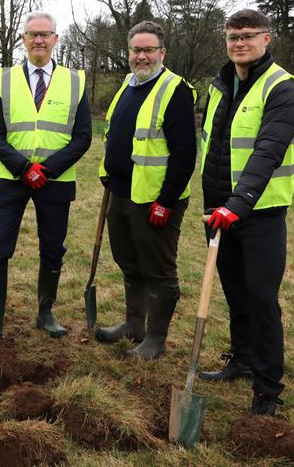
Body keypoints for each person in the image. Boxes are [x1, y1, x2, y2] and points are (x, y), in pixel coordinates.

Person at [199, 9, 294, 415]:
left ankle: (267, 390)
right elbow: (215, 149)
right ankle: (242, 359)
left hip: (259, 213)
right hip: (219, 212)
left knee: (262, 298)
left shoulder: (285, 89)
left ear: (267, 39)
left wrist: (238, 204)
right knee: (236, 293)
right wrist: (216, 206)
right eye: (232, 36)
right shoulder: (220, 86)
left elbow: (267, 152)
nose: (239, 43)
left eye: (248, 35)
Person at [0, 12, 92, 346]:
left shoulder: (75, 81)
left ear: (56, 39)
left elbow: (82, 136)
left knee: (53, 247)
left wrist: (48, 169)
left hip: (56, 181)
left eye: (45, 34)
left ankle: (46, 313)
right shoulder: (5, 79)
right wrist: (24, 168)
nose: (38, 40)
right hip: (14, 178)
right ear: (23, 40)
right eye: (32, 34)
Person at [95, 21, 197, 360]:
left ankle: (155, 339)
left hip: (154, 200)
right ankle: (133, 324)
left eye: (148, 50)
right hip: (122, 192)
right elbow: (114, 134)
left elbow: (184, 155)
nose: (141, 56)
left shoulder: (175, 90)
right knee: (129, 262)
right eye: (136, 50)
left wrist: (166, 201)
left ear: (162, 53)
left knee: (159, 270)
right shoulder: (128, 84)